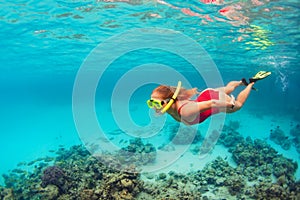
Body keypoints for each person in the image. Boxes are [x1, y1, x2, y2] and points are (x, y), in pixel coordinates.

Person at [147, 71, 271, 125]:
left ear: (170, 101)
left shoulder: (185, 111)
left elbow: (212, 103)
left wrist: (229, 105)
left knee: (238, 105)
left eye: (157, 104)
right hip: (206, 95)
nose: (154, 107)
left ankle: (251, 82)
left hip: (213, 100)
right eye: (151, 103)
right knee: (227, 89)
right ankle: (240, 82)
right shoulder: (171, 106)